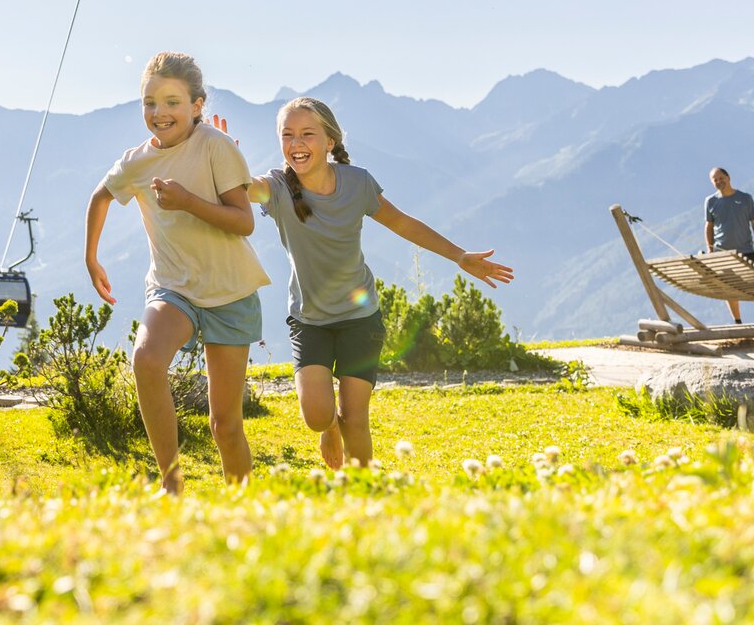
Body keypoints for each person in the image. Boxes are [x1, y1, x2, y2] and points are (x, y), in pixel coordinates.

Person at [246, 98, 513, 469]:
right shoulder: (275, 187)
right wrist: (224, 159)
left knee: (355, 418)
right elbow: (242, 189)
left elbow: (402, 224)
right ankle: (329, 429)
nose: (296, 143)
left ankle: (364, 494)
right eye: (287, 135)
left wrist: (459, 255)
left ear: (330, 142)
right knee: (318, 416)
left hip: (360, 318)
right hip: (309, 320)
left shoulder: (358, 183)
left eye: (307, 134)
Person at [85, 52, 270, 494]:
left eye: (172, 102)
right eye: (150, 103)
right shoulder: (137, 162)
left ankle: (242, 509)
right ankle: (172, 486)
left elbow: (244, 221)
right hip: (172, 289)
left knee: (224, 424)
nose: (159, 113)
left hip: (230, 292)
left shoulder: (215, 147)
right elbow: (100, 196)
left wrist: (188, 201)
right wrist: (91, 258)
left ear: (197, 105)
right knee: (146, 361)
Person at [704, 167, 754, 324]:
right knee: (729, 289)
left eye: (721, 178)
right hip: (722, 253)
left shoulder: (745, 198)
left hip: (746, 250)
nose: (719, 181)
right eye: (715, 180)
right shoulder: (710, 201)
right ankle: (737, 322)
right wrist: (710, 250)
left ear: (728, 177)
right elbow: (708, 226)